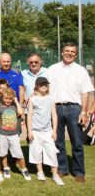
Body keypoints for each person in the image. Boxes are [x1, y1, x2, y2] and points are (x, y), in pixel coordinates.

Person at [46, 43, 94, 182]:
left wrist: (84, 112)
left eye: (72, 51)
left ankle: (79, 172)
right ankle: (62, 168)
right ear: (62, 53)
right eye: (67, 51)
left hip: (75, 109)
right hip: (56, 108)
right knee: (58, 141)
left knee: (77, 142)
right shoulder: (52, 69)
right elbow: (46, 89)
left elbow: (85, 92)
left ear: (76, 54)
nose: (69, 53)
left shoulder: (81, 71)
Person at [27, 77, 64, 185]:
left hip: (48, 131)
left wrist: (54, 131)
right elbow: (29, 115)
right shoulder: (32, 99)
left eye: (46, 84)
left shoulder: (51, 99)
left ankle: (55, 175)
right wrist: (30, 131)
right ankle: (40, 172)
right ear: (37, 86)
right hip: (35, 131)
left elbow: (54, 115)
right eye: (41, 84)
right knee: (36, 152)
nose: (44, 86)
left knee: (52, 152)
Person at [0, 88, 31, 181]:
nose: (8, 100)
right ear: (2, 98)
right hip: (2, 134)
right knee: (3, 152)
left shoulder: (14, 107)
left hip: (13, 134)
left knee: (18, 153)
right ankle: (6, 168)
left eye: (10, 99)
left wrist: (16, 100)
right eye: (6, 98)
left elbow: (21, 113)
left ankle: (24, 169)